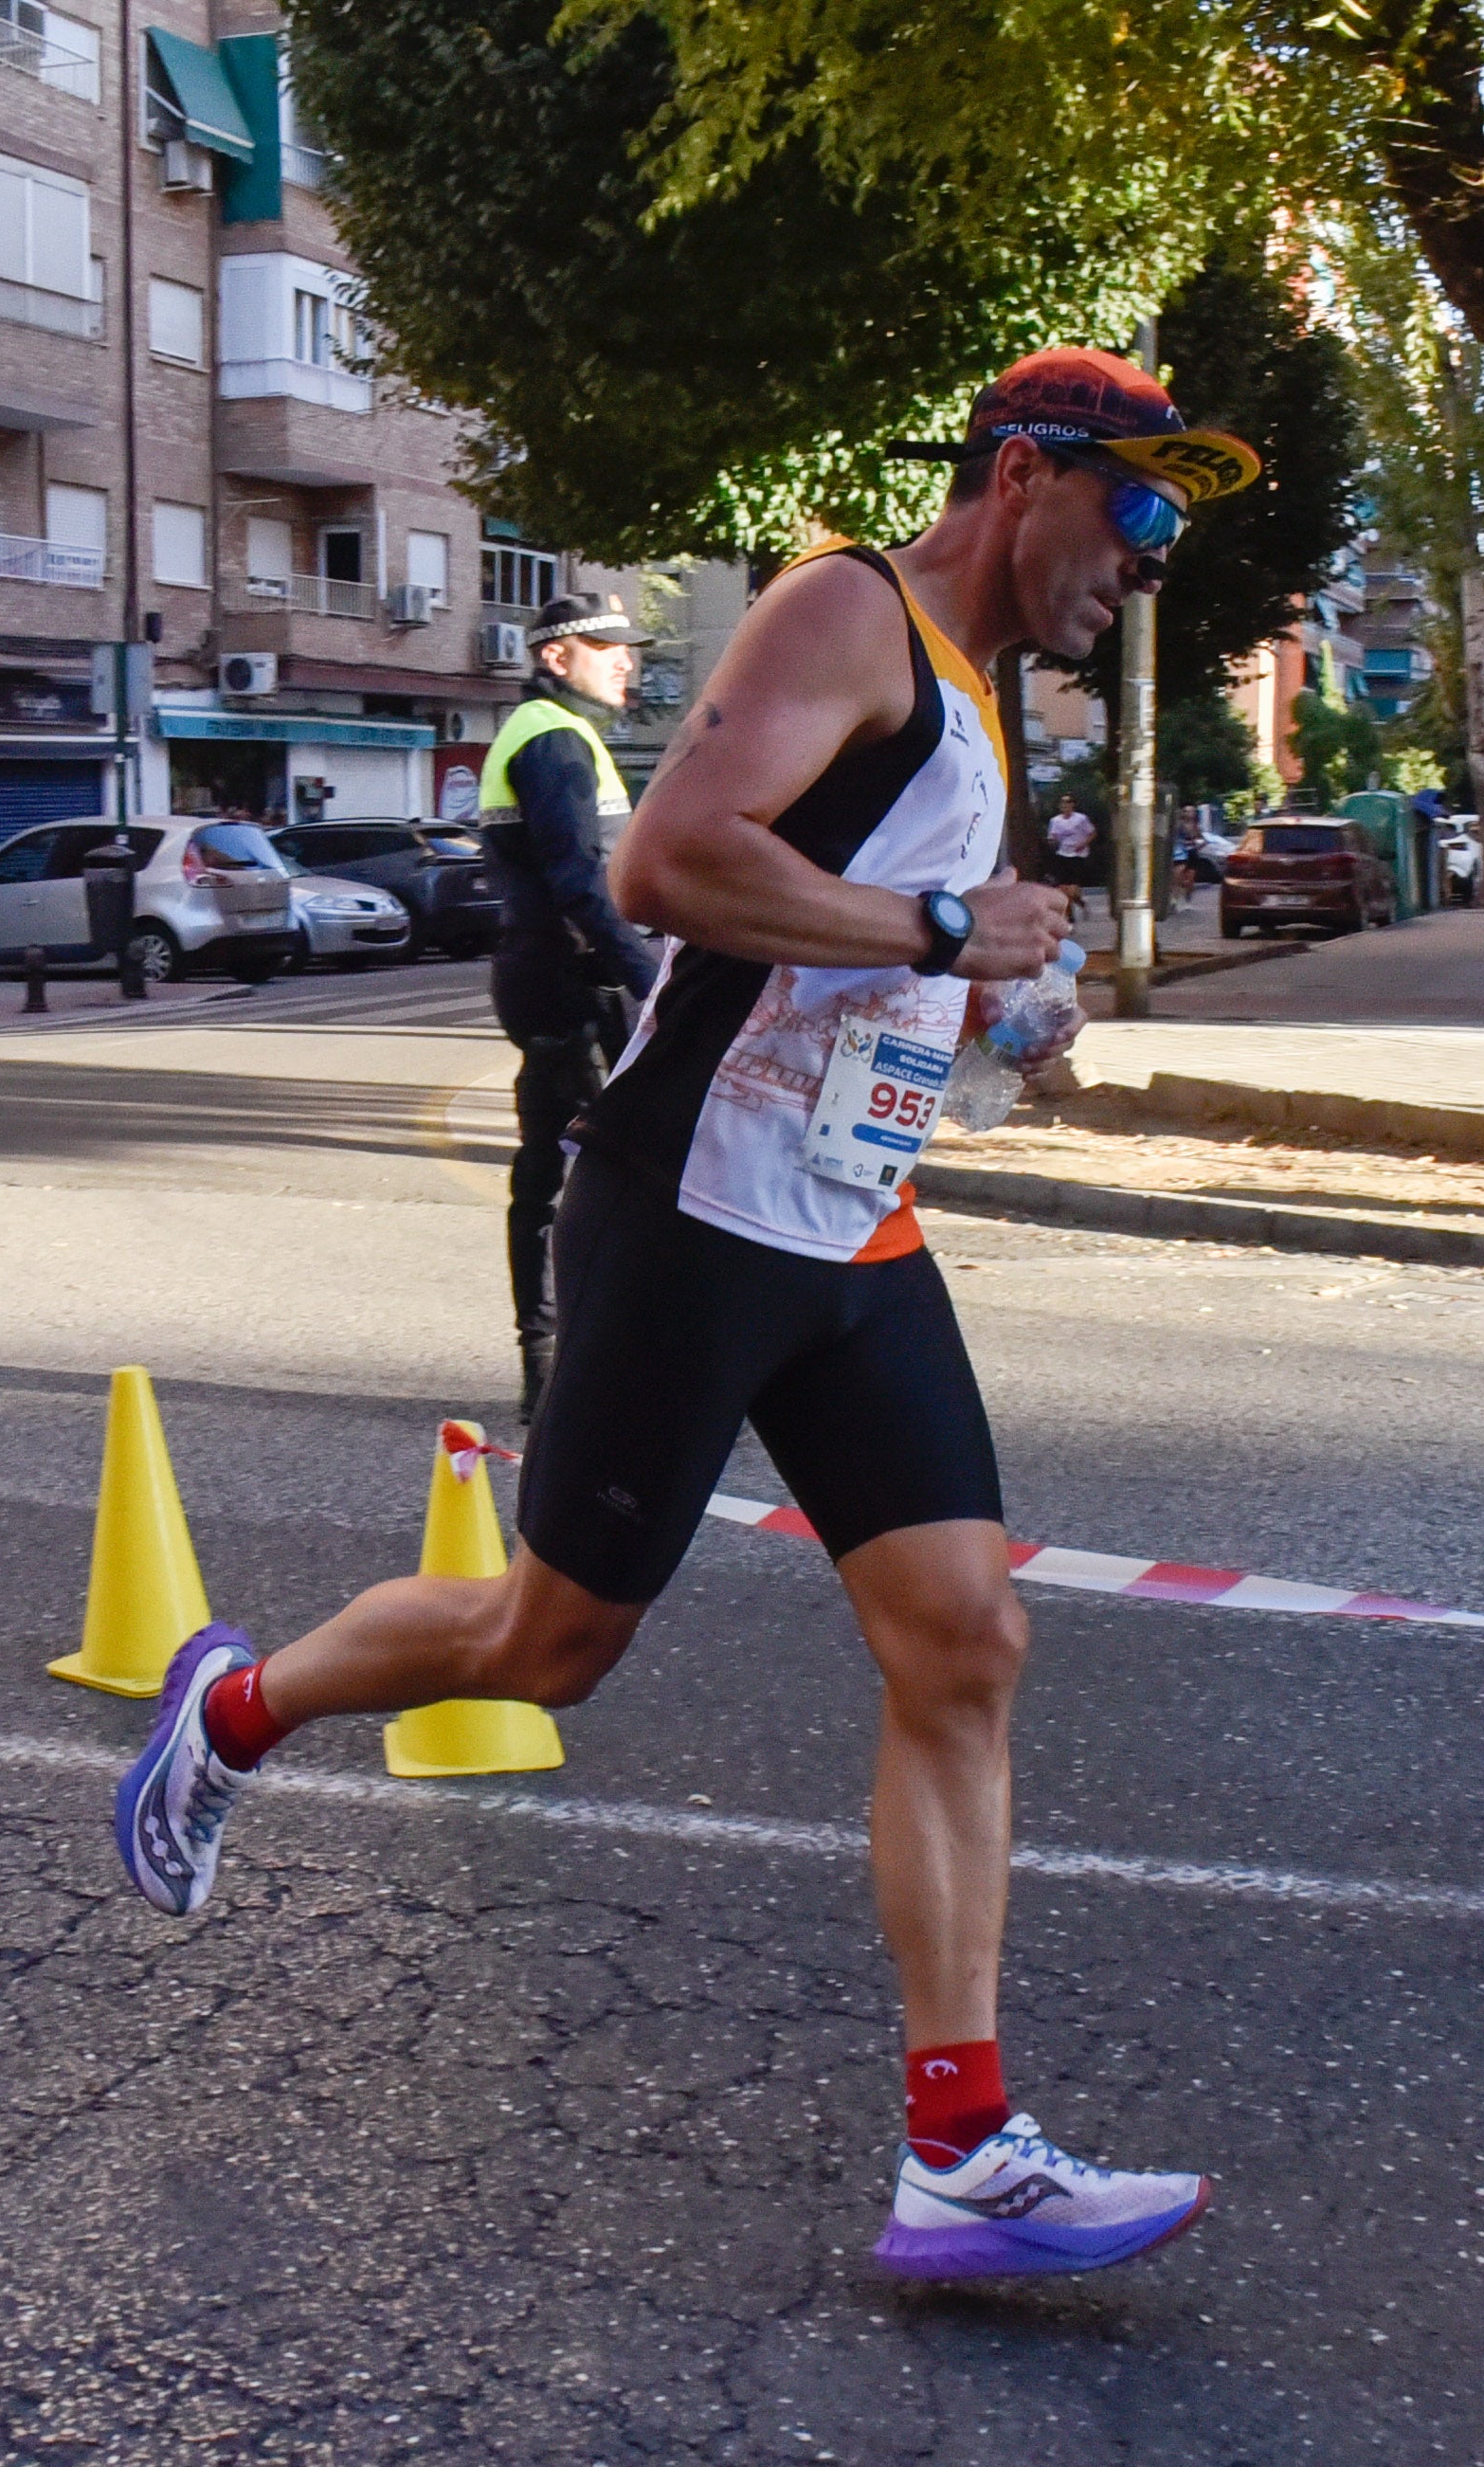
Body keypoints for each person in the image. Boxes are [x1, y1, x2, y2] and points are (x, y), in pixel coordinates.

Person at [117, 346, 1261, 2282]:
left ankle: (960, 2152)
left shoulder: (981, 695)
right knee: (547, 1646)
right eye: (1139, 503)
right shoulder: (852, 610)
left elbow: (875, 918)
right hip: (691, 1209)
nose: (1151, 556)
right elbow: (675, 861)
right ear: (1020, 474)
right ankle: (231, 1707)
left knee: (968, 1639)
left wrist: (996, 999)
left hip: (854, 1220)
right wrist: (933, 931)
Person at [475, 593, 662, 1421]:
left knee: (550, 1178)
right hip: (571, 984)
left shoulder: (548, 731)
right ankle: (607, 1373)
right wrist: (652, 977)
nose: (627, 660)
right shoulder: (554, 741)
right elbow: (578, 882)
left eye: (630, 647)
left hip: (544, 978)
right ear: (557, 657)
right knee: (636, 1178)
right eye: (606, 646)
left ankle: (547, 1370)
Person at [1044, 792, 1098, 923]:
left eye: (1068, 803)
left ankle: (1081, 902)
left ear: (1073, 805)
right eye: (1063, 803)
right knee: (1063, 889)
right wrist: (1051, 841)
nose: (1065, 805)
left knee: (1073, 891)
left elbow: (1092, 833)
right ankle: (1069, 916)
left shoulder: (1081, 819)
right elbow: (1052, 836)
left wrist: (1083, 844)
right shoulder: (1055, 821)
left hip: (1078, 855)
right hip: (1062, 854)